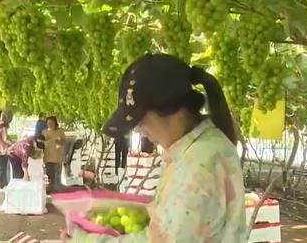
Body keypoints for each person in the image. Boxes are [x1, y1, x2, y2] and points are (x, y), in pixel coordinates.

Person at [65, 53, 247, 242]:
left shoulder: (201, 161)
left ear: (172, 110)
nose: (140, 131)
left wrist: (85, 240)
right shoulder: (196, 150)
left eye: (141, 121)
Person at [42, 116, 66, 193]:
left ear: (55, 123)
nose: (50, 124)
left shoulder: (60, 132)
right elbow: (41, 143)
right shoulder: (44, 132)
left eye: (51, 123)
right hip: (47, 157)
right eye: (48, 123)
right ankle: (50, 189)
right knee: (49, 175)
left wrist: (58, 141)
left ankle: (57, 189)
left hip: (57, 157)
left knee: (57, 175)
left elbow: (64, 142)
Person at [0, 110, 14, 190]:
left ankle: (3, 184)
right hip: (1, 151)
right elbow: (5, 139)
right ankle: (2, 186)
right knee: (3, 168)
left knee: (2, 168)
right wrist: (13, 144)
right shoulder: (2, 126)